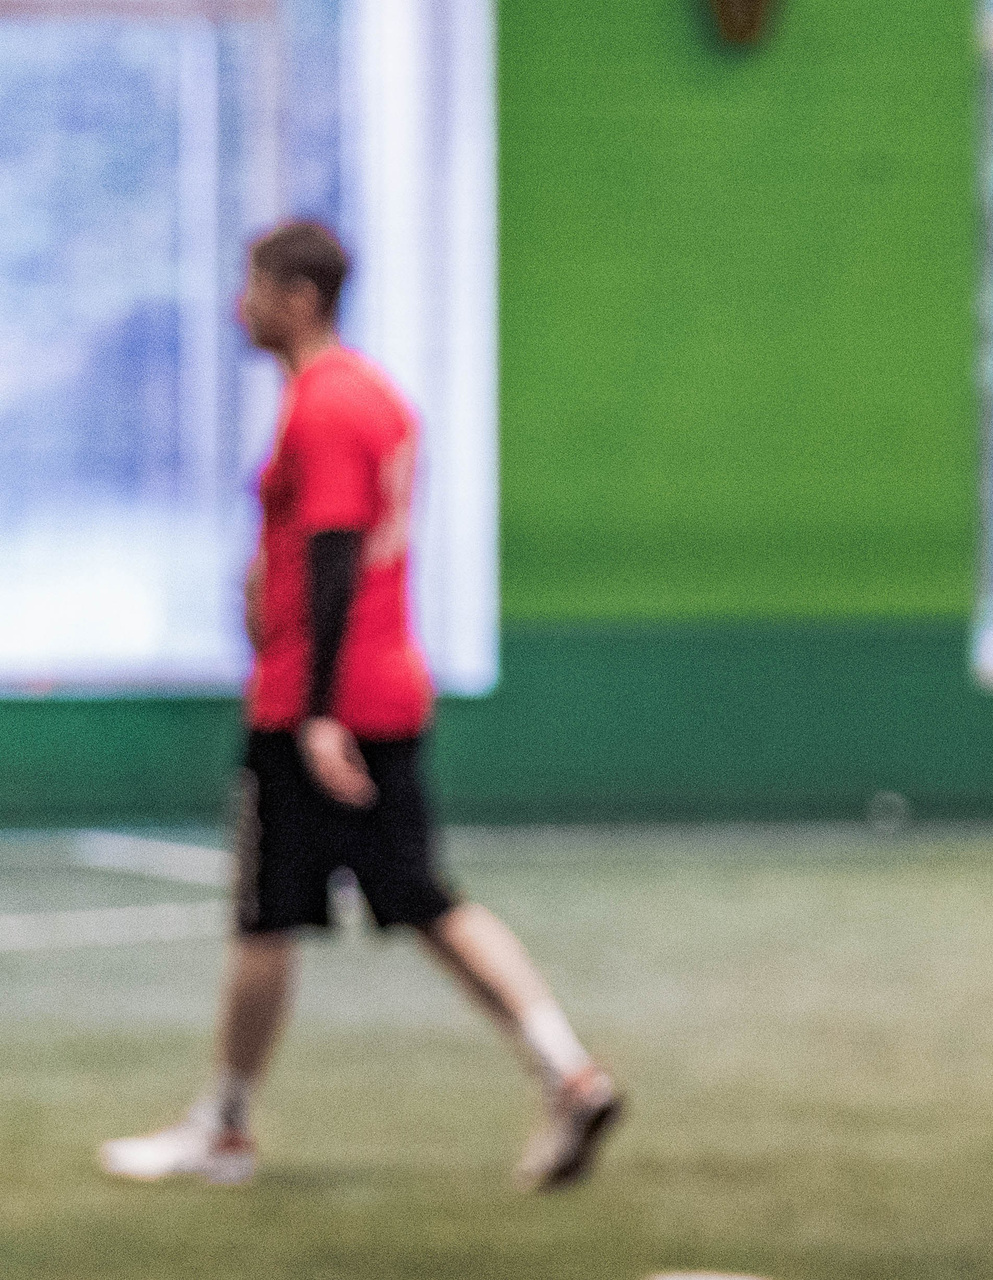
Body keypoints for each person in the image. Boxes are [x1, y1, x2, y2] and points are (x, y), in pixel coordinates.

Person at [100, 221, 621, 1191]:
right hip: (374, 690)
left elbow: (335, 555)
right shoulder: (371, 396)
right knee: (422, 898)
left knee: (267, 915)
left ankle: (224, 1126)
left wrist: (318, 711)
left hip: (320, 704)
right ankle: (569, 1072)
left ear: (299, 296)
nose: (239, 304)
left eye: (254, 285)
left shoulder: (328, 404)